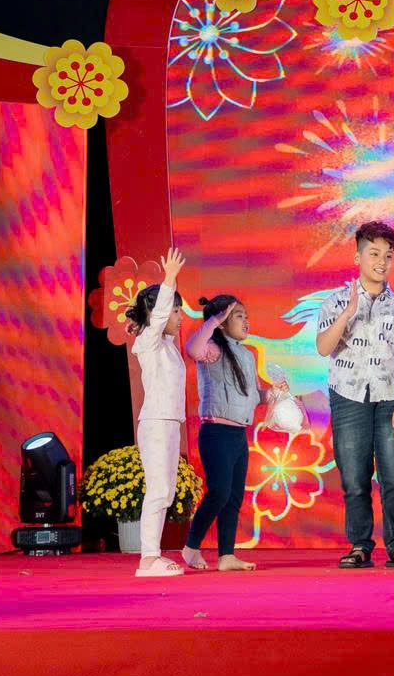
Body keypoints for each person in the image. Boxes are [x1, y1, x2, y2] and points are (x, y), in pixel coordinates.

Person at [314, 221, 394, 569]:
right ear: (358, 257)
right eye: (374, 254)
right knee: (354, 476)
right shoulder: (336, 301)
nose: (382, 262)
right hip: (348, 397)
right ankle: (360, 545)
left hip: (390, 397)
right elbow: (323, 348)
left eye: (388, 256)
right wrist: (348, 313)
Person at [183, 293, 294, 572]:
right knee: (219, 493)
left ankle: (226, 556)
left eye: (246, 316)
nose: (246, 321)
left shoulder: (246, 355)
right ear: (222, 322)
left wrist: (273, 394)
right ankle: (191, 547)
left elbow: (253, 396)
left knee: (233, 497)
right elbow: (192, 349)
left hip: (238, 435)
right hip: (216, 433)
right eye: (239, 316)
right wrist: (213, 320)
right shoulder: (213, 349)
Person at [125, 245, 189, 578]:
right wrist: (169, 282)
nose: (180, 318)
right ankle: (148, 559)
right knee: (159, 490)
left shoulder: (167, 347)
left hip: (168, 423)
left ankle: (152, 555)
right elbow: (159, 317)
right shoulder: (148, 342)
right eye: (177, 311)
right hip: (156, 423)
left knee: (165, 491)